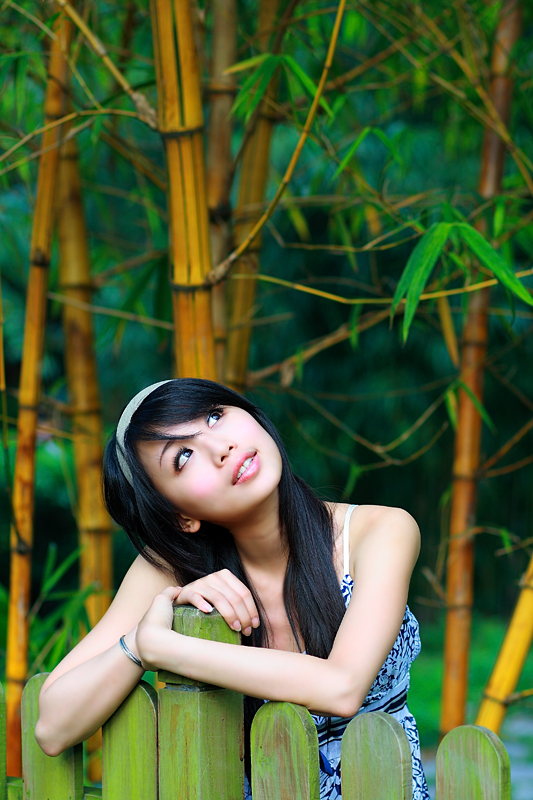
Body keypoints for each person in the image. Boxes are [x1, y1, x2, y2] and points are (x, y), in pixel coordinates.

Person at [35, 378, 430, 800]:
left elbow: (342, 687)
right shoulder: (171, 568)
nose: (221, 447)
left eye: (214, 416)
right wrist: (136, 644)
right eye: (184, 456)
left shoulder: (378, 532)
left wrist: (165, 648)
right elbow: (53, 727)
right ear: (180, 516)